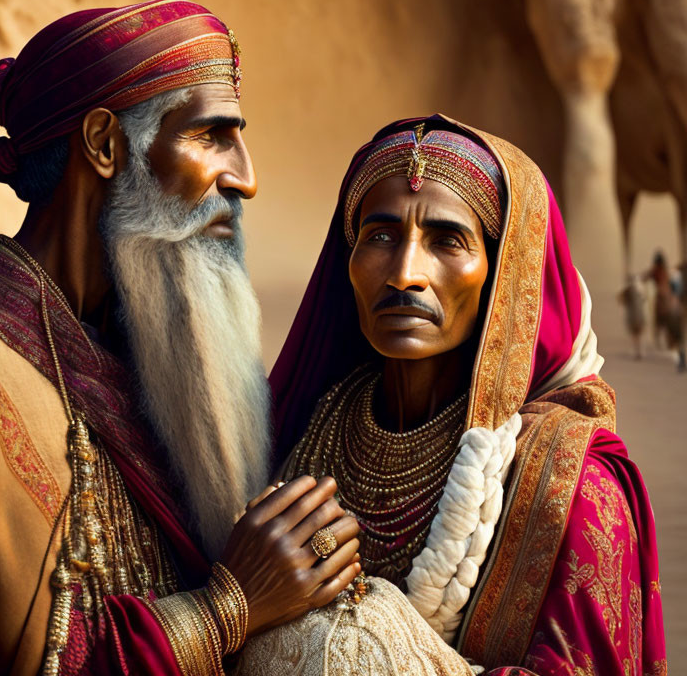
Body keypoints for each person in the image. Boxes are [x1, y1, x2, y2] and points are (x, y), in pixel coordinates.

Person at [0, 0, 362, 675]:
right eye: (211, 137)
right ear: (104, 144)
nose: (246, 177)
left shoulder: (153, 375)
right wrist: (226, 610)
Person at [266, 117, 667, 674]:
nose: (406, 273)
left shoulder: (572, 487)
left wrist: (368, 642)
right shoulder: (303, 428)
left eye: (447, 240)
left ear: (504, 272)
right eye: (379, 236)